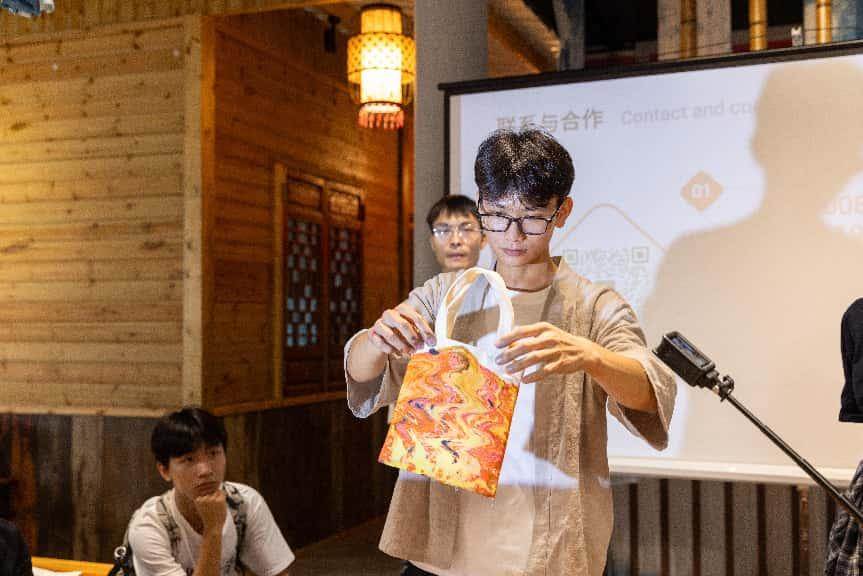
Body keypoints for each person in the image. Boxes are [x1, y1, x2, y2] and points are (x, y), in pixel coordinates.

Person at [344, 127, 676, 576]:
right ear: (481, 205)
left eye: (533, 218)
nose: (513, 235)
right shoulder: (447, 294)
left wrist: (589, 356)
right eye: (498, 216)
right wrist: (377, 339)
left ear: (562, 212)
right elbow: (362, 373)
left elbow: (650, 388)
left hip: (546, 549)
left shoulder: (594, 305)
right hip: (445, 548)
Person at [127, 407, 294, 576]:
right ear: (164, 471)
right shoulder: (149, 526)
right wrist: (213, 529)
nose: (205, 470)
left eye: (213, 453)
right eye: (189, 459)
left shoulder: (244, 503)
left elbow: (278, 573)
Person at [426, 194, 486, 273]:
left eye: (466, 230)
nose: (455, 241)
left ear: (483, 240)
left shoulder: (496, 281)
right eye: (444, 231)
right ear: (432, 242)